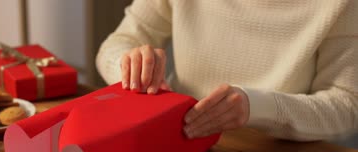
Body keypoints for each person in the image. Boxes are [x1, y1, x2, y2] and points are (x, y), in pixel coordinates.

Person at [95, 0, 358, 144]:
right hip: (177, 144)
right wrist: (130, 68)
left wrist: (256, 108)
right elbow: (116, 44)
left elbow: (348, 104)